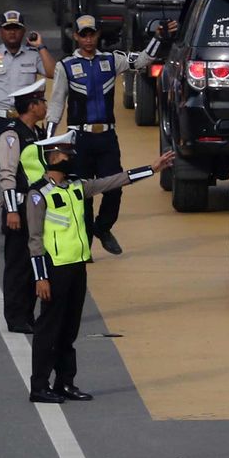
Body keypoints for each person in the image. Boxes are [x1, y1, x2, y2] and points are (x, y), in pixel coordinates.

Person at [25, 132, 176, 403]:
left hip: (77, 267)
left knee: (69, 330)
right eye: (67, 155)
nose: (72, 159)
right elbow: (34, 240)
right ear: (54, 157)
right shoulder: (38, 195)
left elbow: (111, 182)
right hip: (55, 269)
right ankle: (39, 386)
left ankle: (64, 383)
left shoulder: (76, 186)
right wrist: (41, 278)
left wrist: (151, 169)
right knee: (48, 329)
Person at [46, 14, 176, 256]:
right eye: (83, 34)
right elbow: (56, 105)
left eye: (92, 34)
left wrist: (159, 37)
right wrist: (49, 142)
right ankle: (83, 245)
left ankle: (103, 228)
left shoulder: (112, 60)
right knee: (80, 193)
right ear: (75, 36)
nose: (88, 39)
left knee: (114, 187)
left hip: (107, 138)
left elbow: (143, 61)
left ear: (97, 35)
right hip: (78, 139)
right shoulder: (65, 67)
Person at [0, 9, 54, 235]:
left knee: (19, 171)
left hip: (24, 122)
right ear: (1, 32)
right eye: (8, 29)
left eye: (16, 29)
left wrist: (41, 46)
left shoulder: (33, 56)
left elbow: (53, 72)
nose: (12, 33)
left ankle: (11, 217)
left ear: (23, 31)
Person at [0, 80, 49, 333]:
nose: (45, 106)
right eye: (42, 102)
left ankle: (27, 314)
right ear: (32, 105)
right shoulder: (11, 134)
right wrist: (12, 210)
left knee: (32, 263)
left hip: (35, 207)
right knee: (17, 264)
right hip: (18, 206)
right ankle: (16, 317)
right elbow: (7, 173)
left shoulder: (37, 133)